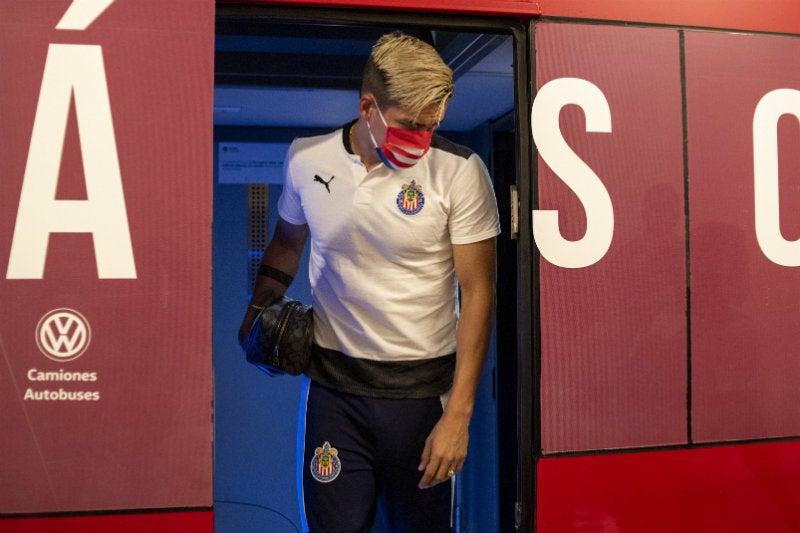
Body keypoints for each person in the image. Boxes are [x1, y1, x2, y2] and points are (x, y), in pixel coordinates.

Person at [239, 31, 500, 533]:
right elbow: (287, 243)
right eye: (410, 125)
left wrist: (459, 416)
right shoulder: (306, 159)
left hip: (423, 397)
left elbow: (479, 292)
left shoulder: (460, 172)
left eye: (432, 125)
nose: (422, 139)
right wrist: (255, 315)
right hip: (335, 393)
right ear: (368, 107)